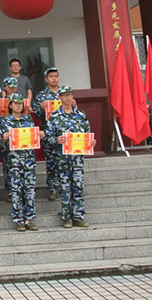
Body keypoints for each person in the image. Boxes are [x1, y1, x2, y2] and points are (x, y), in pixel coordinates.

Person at [44, 86, 95, 228]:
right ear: (59, 97)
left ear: (72, 96)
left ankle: (78, 216)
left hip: (77, 158)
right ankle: (66, 217)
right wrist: (57, 140)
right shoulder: (54, 116)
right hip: (62, 159)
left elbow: (87, 134)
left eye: (69, 95)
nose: (67, 98)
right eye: (64, 95)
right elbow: (47, 138)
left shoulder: (81, 115)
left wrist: (91, 142)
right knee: (65, 188)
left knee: (78, 186)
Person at [0, 93, 40, 231]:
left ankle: (29, 218)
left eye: (20, 103)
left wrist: (39, 135)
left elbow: (33, 140)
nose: (18, 106)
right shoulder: (5, 121)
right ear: (10, 105)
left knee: (29, 189)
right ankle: (18, 220)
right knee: (16, 190)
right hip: (14, 160)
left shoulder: (28, 120)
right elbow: (1, 144)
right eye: (15, 103)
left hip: (29, 159)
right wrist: (4, 138)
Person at [33, 67, 62, 200]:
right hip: (49, 133)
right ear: (46, 79)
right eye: (51, 77)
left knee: (65, 161)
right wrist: (41, 108)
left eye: (56, 76)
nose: (54, 79)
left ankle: (65, 186)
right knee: (51, 161)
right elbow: (37, 115)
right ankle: (52, 188)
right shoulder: (42, 95)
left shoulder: (64, 93)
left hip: (64, 133)